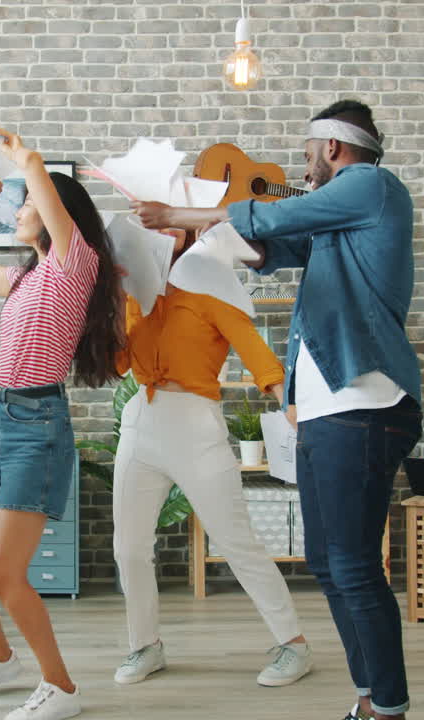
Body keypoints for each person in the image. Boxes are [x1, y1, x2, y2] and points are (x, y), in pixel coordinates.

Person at [132, 99, 423, 720]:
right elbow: (265, 247)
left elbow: (273, 215)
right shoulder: (333, 224)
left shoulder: (373, 188)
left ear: (334, 149)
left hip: (366, 405)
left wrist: (180, 211)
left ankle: (389, 707)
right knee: (326, 561)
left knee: (352, 562)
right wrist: (189, 225)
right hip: (325, 411)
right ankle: (371, 698)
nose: (303, 164)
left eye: (307, 152)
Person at [0, 124, 123, 720]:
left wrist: (27, 159)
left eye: (27, 204)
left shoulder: (76, 265)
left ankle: (62, 688)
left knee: (2, 572)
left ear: (55, 214)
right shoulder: (23, 279)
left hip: (38, 428)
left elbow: (45, 187)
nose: (21, 212)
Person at [110, 226, 313, 687]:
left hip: (196, 422)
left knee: (237, 541)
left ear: (190, 231)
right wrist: (117, 307)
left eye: (170, 223)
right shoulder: (134, 293)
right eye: (152, 226)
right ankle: (145, 645)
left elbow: (257, 353)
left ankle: (293, 645)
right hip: (142, 417)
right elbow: (117, 364)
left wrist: (292, 408)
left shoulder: (209, 283)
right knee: (129, 546)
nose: (160, 233)